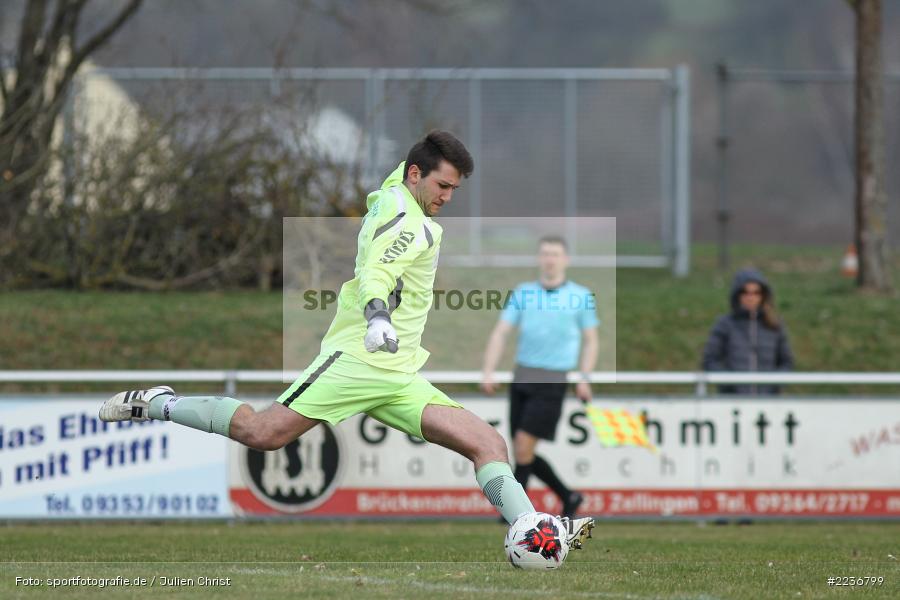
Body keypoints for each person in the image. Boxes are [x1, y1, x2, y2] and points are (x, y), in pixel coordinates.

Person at [99, 130, 593, 549]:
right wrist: (377, 315)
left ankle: (534, 532)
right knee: (264, 434)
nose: (448, 197)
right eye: (443, 185)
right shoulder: (405, 220)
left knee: (488, 443)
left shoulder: (401, 191)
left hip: (398, 373)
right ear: (417, 175)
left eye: (455, 189)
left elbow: (401, 190)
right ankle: (159, 403)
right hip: (359, 356)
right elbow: (376, 271)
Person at [481, 235, 599, 518]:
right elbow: (501, 333)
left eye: (555, 254)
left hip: (553, 378)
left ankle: (515, 514)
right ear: (539, 258)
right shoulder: (523, 293)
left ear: (565, 260)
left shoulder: (581, 296)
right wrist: (488, 370)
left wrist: (584, 377)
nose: (550, 259)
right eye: (545, 254)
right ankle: (568, 496)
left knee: (523, 445)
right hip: (522, 374)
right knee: (522, 452)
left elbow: (591, 340)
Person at [702, 268, 794, 394]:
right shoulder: (725, 324)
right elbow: (710, 360)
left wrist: (773, 385)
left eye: (756, 292)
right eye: (745, 292)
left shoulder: (774, 325)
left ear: (763, 296)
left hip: (767, 402)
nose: (751, 297)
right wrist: (728, 383)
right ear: (737, 295)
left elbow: (786, 362)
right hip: (733, 403)